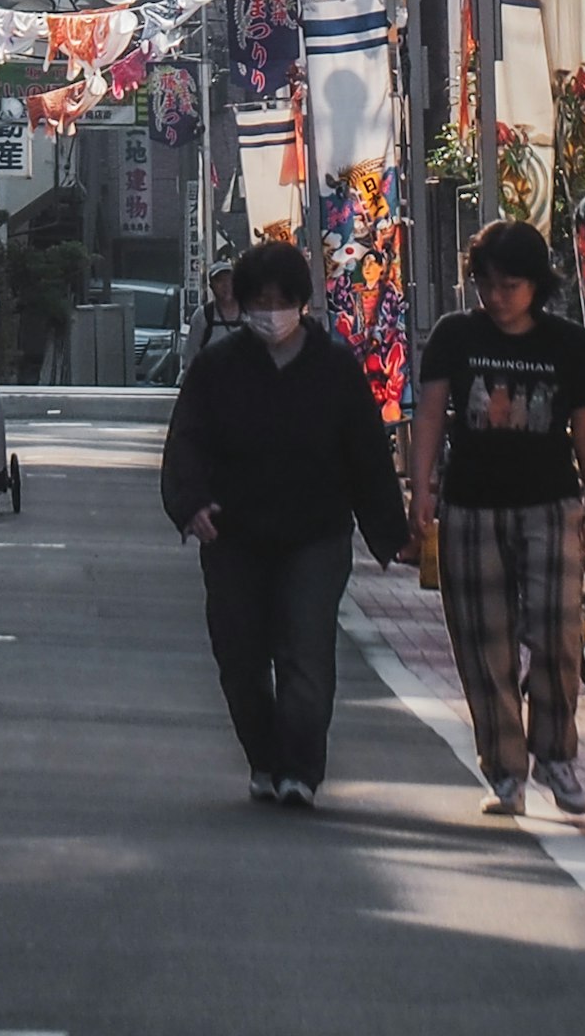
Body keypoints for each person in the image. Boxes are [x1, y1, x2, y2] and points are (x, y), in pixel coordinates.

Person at [160, 238, 410, 810]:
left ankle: (301, 767)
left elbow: (366, 454)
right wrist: (190, 503)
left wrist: (390, 534)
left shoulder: (334, 369)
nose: (269, 311)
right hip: (233, 533)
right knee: (240, 655)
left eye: (280, 299)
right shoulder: (218, 368)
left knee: (305, 646)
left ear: (301, 301)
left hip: (315, 531)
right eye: (259, 300)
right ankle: (263, 758)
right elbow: (188, 441)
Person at [409, 218, 585, 819]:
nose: (497, 297)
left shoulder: (570, 345)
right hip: (470, 504)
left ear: (538, 285)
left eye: (511, 286)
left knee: (557, 634)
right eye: (487, 284)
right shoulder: (454, 334)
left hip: (551, 504)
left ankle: (556, 755)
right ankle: (504, 769)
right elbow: (429, 415)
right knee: (483, 639)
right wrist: (421, 489)